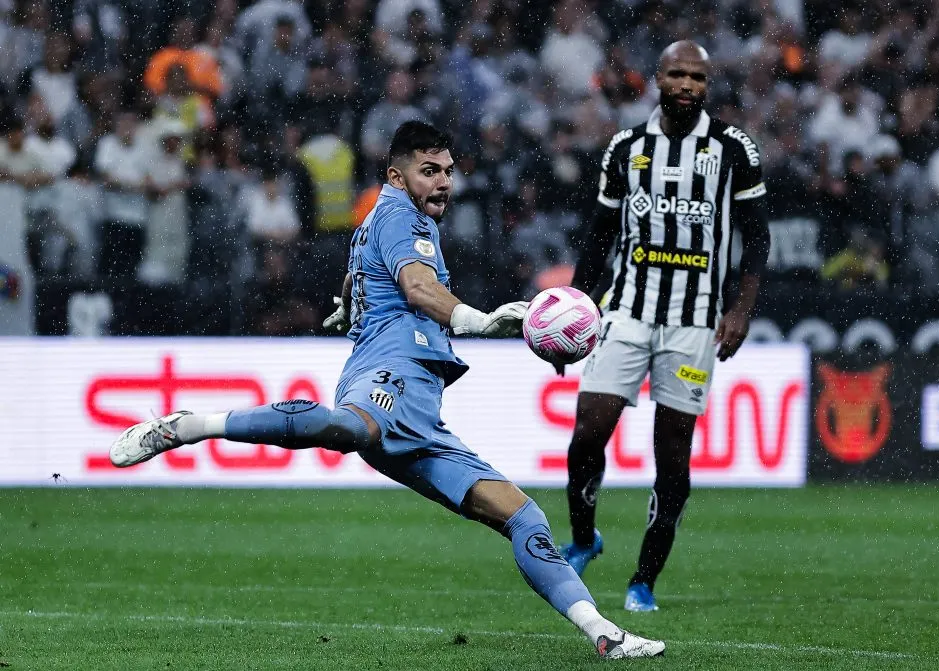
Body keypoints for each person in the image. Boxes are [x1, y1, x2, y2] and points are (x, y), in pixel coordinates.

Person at [108, 121, 665, 660]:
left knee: (524, 517)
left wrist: (352, 302)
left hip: (421, 415)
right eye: (429, 170)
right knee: (350, 427)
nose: (444, 181)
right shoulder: (402, 217)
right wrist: (480, 321)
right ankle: (186, 426)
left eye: (448, 170)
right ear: (397, 176)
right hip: (388, 376)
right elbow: (419, 288)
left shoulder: (384, 217)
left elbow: (363, 276)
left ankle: (602, 633)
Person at [558, 41, 771, 612]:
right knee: (586, 436)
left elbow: (758, 238)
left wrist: (741, 310)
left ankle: (643, 580)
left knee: (672, 452)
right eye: (677, 73)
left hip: (696, 320)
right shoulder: (626, 146)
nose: (686, 85)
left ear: (708, 85)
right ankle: (584, 537)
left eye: (697, 77)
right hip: (626, 310)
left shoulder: (732, 148)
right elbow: (600, 235)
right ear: (657, 78)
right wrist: (577, 309)